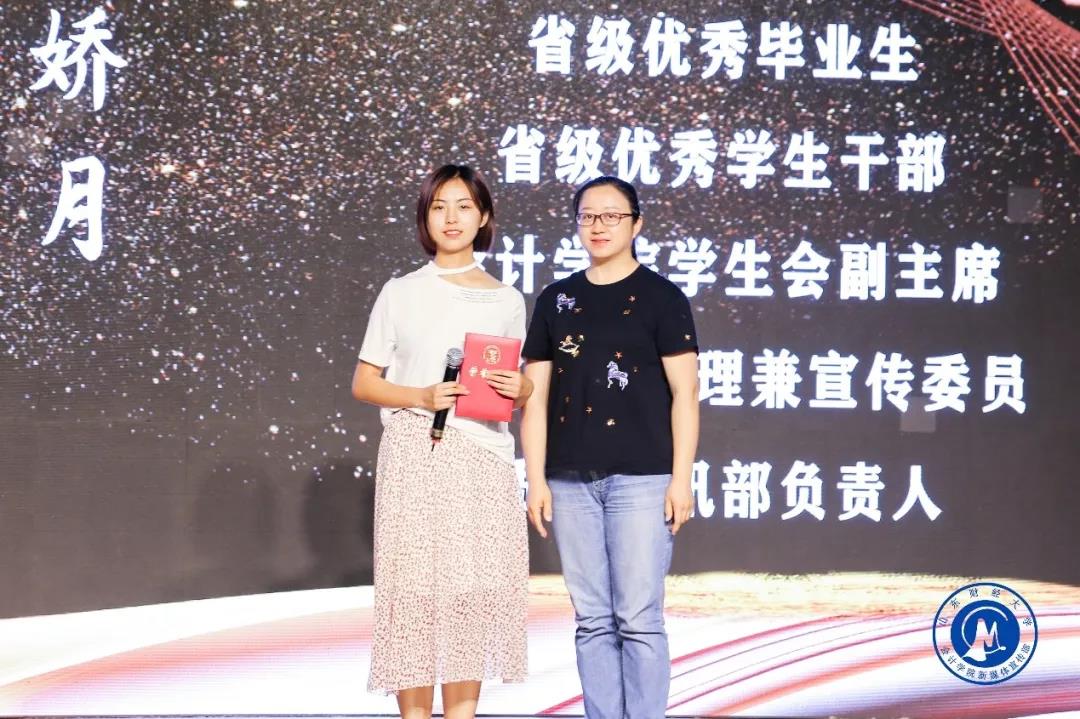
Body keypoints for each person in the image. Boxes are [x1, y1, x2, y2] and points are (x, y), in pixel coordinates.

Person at [351, 164, 531, 719]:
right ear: (426, 218)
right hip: (416, 451)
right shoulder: (401, 292)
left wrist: (521, 389)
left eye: (463, 206)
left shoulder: (506, 299)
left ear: (483, 217)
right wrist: (422, 396)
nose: (451, 218)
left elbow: (516, 387)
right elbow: (365, 382)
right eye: (439, 206)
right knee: (413, 595)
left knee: (469, 595)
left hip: (483, 460)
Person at [520, 176, 699, 719]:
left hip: (642, 478)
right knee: (592, 619)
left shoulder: (662, 298)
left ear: (636, 224)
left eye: (612, 215)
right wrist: (535, 478)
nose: (598, 226)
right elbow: (535, 397)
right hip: (570, 479)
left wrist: (682, 479)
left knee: (639, 618)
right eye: (588, 216)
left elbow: (685, 394)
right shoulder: (557, 299)